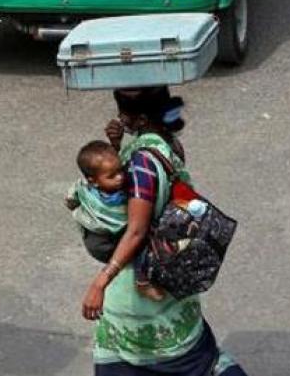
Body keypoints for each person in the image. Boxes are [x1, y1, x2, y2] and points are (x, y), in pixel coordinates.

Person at [80, 87, 247, 376]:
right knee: (200, 357)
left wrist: (100, 283)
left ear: (141, 118)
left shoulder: (142, 164)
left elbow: (136, 230)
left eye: (124, 114)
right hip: (170, 276)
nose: (120, 119)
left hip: (141, 302)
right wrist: (115, 144)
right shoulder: (168, 145)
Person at [66, 141, 166, 301]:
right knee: (143, 240)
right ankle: (142, 281)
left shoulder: (84, 187)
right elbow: (135, 230)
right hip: (105, 243)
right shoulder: (119, 196)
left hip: (93, 238)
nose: (120, 177)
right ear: (93, 181)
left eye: (120, 171)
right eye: (112, 176)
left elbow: (71, 200)